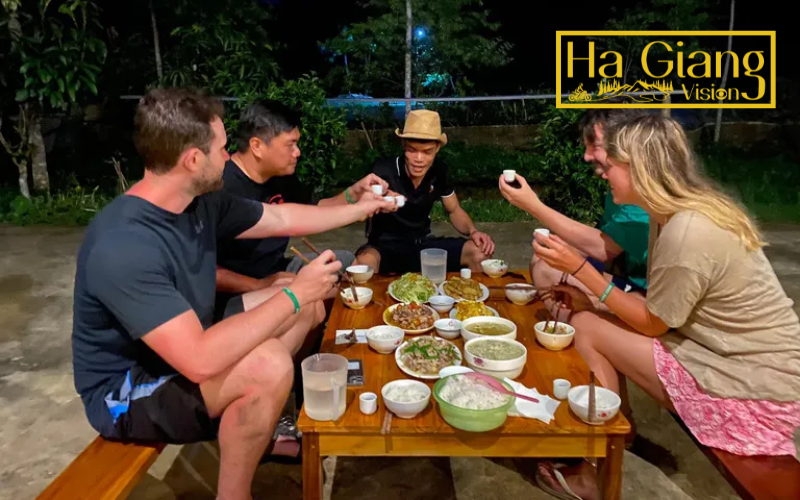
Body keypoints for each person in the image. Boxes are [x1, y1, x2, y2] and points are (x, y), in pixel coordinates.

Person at [71, 88, 394, 500]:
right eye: (222, 148)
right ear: (192, 160)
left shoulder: (200, 202)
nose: (229, 156)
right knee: (269, 364)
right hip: (132, 389)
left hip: (186, 345)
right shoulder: (125, 245)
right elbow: (199, 359)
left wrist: (361, 207)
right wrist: (294, 292)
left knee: (303, 309)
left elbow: (280, 216)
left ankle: (252, 421)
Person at [531, 115, 800, 500]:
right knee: (592, 314)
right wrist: (591, 294)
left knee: (588, 326)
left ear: (640, 168)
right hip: (734, 360)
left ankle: (595, 470)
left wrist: (578, 270)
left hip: (749, 389)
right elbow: (661, 309)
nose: (603, 174)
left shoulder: (688, 230)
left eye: (610, 167)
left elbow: (653, 323)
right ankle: (613, 437)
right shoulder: (677, 214)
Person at [214, 100, 394, 321]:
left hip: (277, 268)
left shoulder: (280, 177)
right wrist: (258, 284)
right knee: (314, 299)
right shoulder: (221, 187)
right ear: (257, 146)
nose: (297, 152)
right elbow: (206, 272)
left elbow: (312, 212)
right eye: (290, 145)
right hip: (239, 288)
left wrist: (353, 194)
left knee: (346, 263)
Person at [499, 100, 651, 320]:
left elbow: (604, 249)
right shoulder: (622, 183)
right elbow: (606, 239)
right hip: (628, 275)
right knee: (545, 258)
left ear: (626, 144)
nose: (586, 156)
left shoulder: (642, 191)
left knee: (546, 270)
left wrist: (532, 205)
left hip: (648, 300)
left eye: (594, 146)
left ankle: (579, 334)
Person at [355, 109, 496, 274]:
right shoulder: (382, 170)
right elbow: (359, 209)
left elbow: (454, 210)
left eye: (427, 152)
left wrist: (474, 231)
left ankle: (473, 299)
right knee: (363, 262)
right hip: (384, 247)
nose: (419, 159)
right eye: (412, 150)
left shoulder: (439, 171)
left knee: (479, 252)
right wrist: (375, 204)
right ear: (403, 146)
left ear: (437, 149)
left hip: (422, 245)